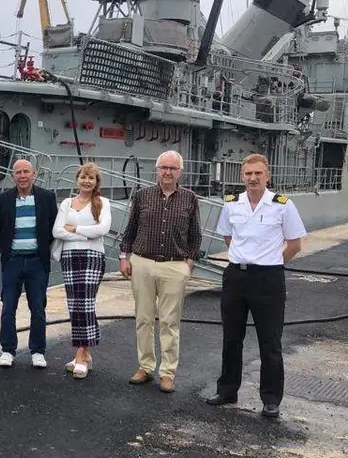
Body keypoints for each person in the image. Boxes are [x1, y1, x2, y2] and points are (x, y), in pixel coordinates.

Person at [206, 153, 306, 418]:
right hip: (236, 277)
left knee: (270, 341)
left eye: (258, 173)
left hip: (268, 279)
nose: (253, 178)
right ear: (242, 176)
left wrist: (272, 263)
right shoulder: (231, 204)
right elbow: (229, 237)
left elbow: (295, 244)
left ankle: (271, 398)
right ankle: (227, 390)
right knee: (231, 338)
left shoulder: (282, 205)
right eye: (248, 174)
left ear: (267, 175)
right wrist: (245, 260)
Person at [118, 150, 201, 393]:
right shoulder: (142, 196)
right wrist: (124, 257)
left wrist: (189, 263)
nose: (167, 172)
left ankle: (167, 373)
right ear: (157, 170)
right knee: (143, 318)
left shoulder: (190, 198)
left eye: (172, 168)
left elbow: (195, 234)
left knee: (169, 322)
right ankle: (145, 367)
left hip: (174, 266)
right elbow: (130, 229)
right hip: (142, 262)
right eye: (163, 167)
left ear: (180, 172)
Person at [0, 159, 58, 368]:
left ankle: (38, 351)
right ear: (13, 176)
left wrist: (40, 252)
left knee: (38, 308)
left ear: (34, 174)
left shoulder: (47, 198)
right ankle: (7, 349)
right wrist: (8, 253)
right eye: (18, 172)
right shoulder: (2, 199)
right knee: (8, 307)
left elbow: (52, 229)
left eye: (26, 172)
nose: (22, 175)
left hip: (36, 262)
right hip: (12, 260)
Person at [52, 163, 112, 379]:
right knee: (74, 304)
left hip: (93, 256)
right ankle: (86, 353)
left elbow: (103, 229)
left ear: (96, 182)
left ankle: (79, 355)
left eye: (91, 178)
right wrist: (87, 234)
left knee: (85, 303)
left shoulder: (102, 202)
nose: (87, 181)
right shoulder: (67, 203)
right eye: (83, 177)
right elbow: (57, 230)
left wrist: (75, 229)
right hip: (69, 257)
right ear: (77, 179)